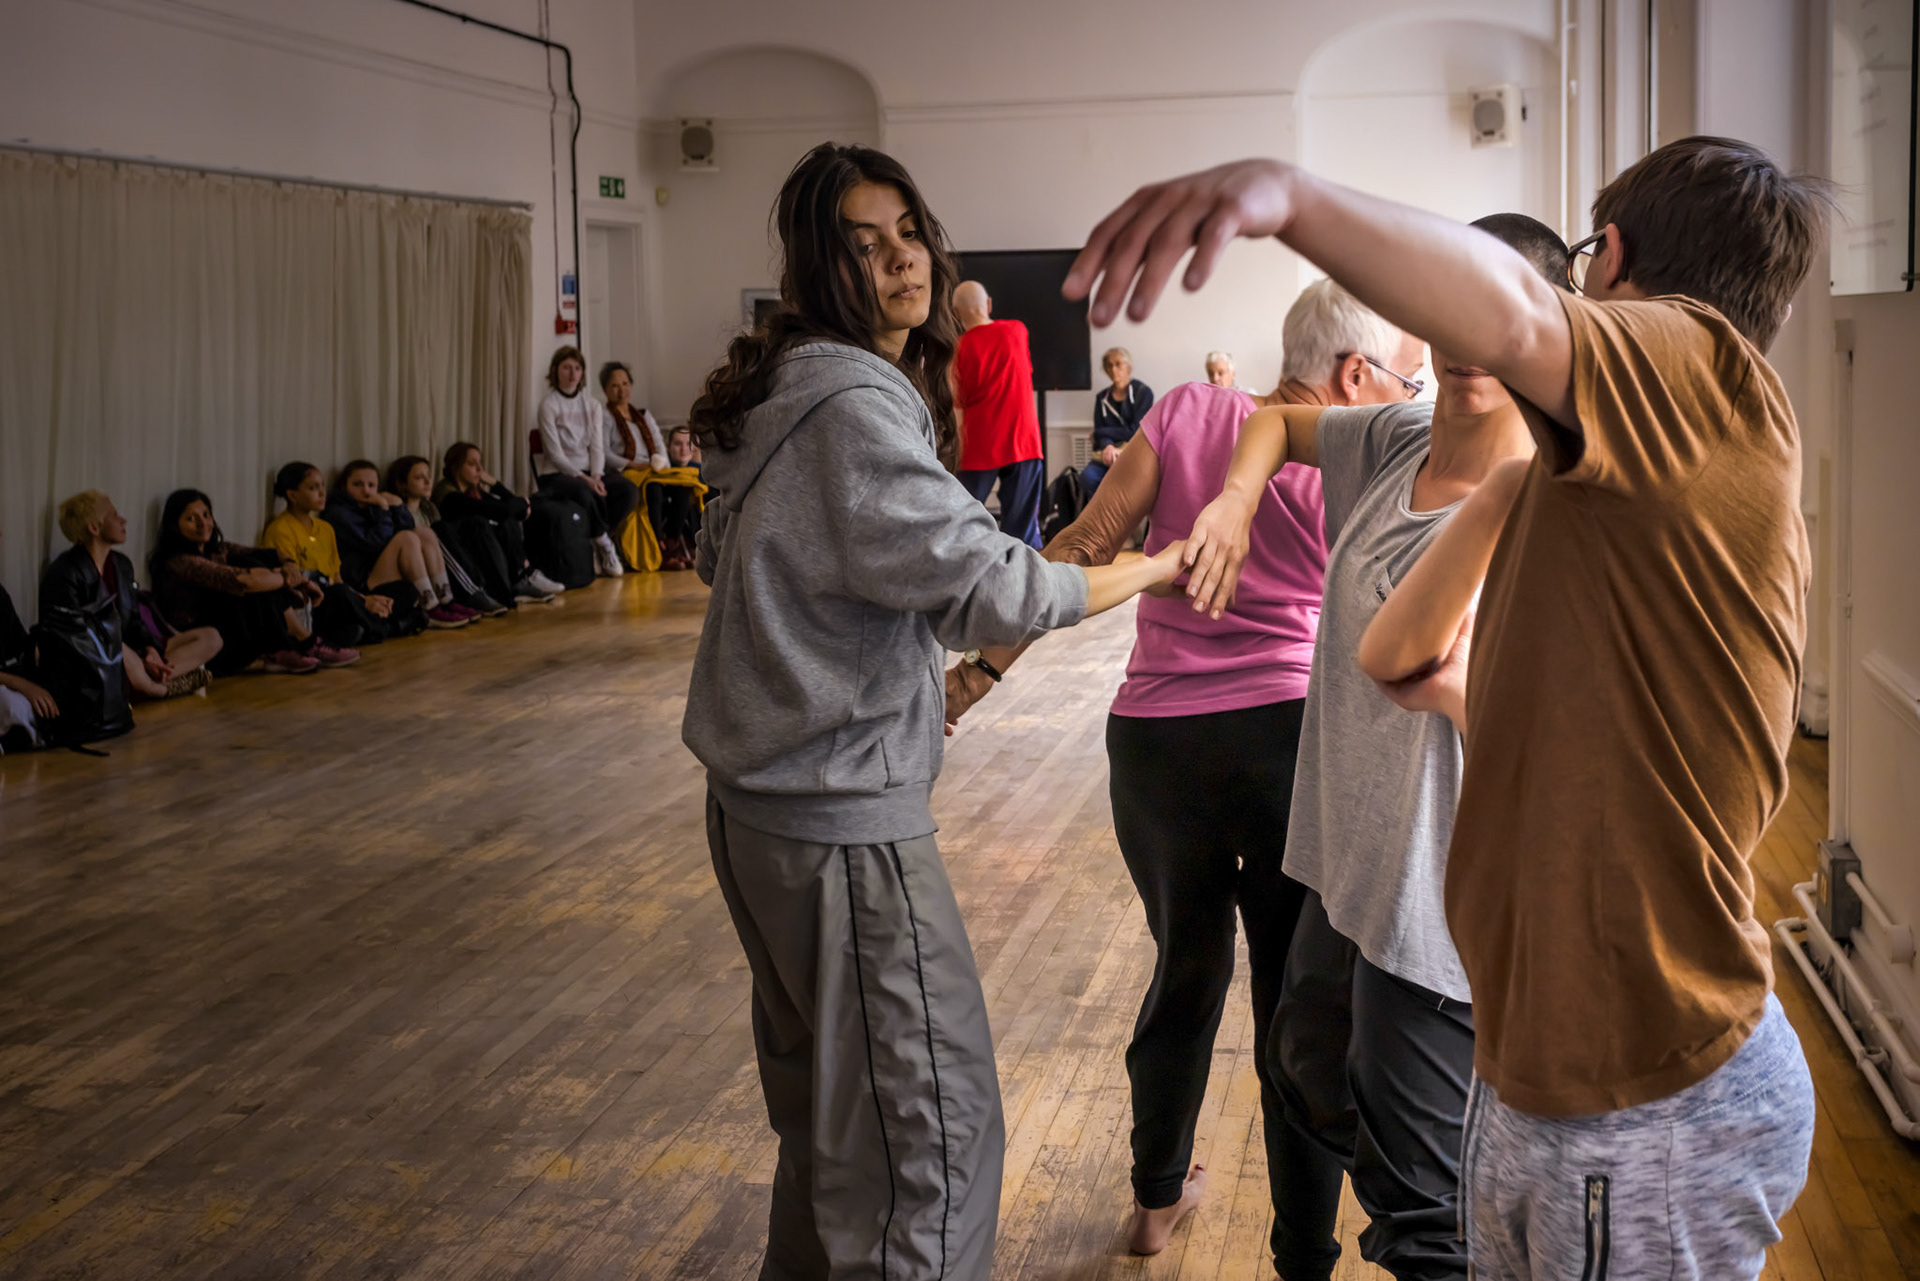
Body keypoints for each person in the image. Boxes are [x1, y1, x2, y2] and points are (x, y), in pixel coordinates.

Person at [1071, 137, 1833, 1281]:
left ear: (1606, 258)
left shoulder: (1702, 372)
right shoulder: (1618, 479)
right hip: (1558, 1065)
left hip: (1640, 1097)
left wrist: (1289, 194)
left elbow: (1517, 318)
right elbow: (1425, 664)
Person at [682, 141, 1188, 1281]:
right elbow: (996, 590)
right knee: (936, 1147)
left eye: (908, 233)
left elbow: (760, 568)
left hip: (764, 808)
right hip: (838, 828)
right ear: (817, 272)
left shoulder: (785, 390)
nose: (900, 261)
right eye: (864, 246)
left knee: (833, 1138)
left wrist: (906, 683)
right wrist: (1153, 567)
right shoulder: (853, 407)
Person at [944, 284, 1421, 1271]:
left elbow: (1081, 547)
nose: (1404, 396)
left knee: (1186, 969)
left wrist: (981, 671)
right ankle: (1303, 1255)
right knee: (1292, 1006)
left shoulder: (1191, 410)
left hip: (1158, 749)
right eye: (1400, 379)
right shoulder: (1359, 459)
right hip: (1285, 744)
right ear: (1352, 375)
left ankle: (1156, 1201)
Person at [1156, 215, 1564, 1281]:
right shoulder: (1393, 436)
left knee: (1425, 1226)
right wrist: (1235, 503)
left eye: (1503, 317)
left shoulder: (1546, 509)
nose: (1470, 342)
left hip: (1437, 911)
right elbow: (1272, 423)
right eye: (1451, 308)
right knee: (1308, 1075)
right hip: (1347, 872)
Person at [42, 490, 222, 699]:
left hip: (131, 658)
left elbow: (134, 621)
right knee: (118, 647)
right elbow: (76, 636)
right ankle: (159, 688)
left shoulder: (121, 565)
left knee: (212, 638)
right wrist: (131, 654)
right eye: (114, 515)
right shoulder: (65, 572)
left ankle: (150, 679)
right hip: (96, 662)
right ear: (94, 527)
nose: (123, 520)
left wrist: (148, 651)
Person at [148, 488, 342, 675]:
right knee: (250, 577)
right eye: (191, 519)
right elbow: (244, 581)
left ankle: (294, 645)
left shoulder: (218, 549)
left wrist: (290, 567)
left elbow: (273, 555)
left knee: (257, 563)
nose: (202, 523)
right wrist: (296, 581)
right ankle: (297, 644)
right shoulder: (180, 561)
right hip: (210, 648)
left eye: (206, 515)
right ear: (174, 526)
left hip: (234, 636)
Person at [263, 462, 402, 648]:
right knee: (340, 595)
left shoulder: (325, 528)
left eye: (323, 486)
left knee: (405, 590)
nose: (322, 493)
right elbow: (295, 583)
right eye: (313, 488)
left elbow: (336, 577)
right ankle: (386, 628)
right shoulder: (280, 529)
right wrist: (361, 602)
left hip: (336, 595)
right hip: (311, 602)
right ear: (292, 495)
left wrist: (363, 599)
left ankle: (363, 628)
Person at [952, 279, 1046, 548]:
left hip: (979, 446)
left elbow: (958, 405)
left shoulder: (958, 348)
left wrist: (954, 451)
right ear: (989, 304)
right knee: (1023, 535)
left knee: (959, 523)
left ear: (955, 313)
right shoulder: (1017, 330)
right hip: (1024, 443)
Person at [324, 460, 474, 629]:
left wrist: (398, 508)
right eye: (357, 484)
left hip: (375, 569)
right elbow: (375, 543)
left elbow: (409, 530)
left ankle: (446, 599)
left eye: (371, 485)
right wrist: (383, 509)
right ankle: (430, 607)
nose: (366, 490)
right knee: (405, 539)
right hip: (359, 582)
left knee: (424, 533)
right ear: (344, 486)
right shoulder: (338, 513)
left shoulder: (370, 506)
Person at [535, 345, 639, 578]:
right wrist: (585, 480)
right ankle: (604, 543)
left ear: (582, 372)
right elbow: (555, 454)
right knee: (585, 492)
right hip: (557, 474)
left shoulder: (592, 405)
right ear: (555, 371)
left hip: (590, 473)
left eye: (577, 368)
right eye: (566, 368)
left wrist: (596, 476)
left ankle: (596, 537)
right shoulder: (548, 405)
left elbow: (597, 447)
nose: (572, 373)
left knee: (628, 490)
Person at [603, 361, 705, 571]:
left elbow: (658, 444)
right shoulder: (605, 416)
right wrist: (633, 464)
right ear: (606, 390)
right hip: (628, 471)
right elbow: (604, 453)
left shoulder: (643, 415)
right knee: (654, 488)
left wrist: (663, 466)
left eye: (625, 384)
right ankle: (657, 546)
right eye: (615, 385)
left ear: (631, 385)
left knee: (683, 485)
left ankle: (672, 544)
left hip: (653, 469)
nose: (621, 390)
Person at [434, 442, 562, 604]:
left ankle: (521, 578)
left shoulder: (473, 492)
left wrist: (495, 484)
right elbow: (503, 510)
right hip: (465, 555)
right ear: (456, 467)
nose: (479, 470)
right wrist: (519, 501)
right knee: (501, 520)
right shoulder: (449, 495)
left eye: (480, 463)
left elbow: (516, 510)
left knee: (507, 522)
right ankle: (520, 579)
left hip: (481, 547)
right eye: (472, 464)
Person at [385, 455, 509, 617]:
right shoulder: (396, 511)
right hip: (417, 573)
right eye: (419, 477)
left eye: (428, 476)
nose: (428, 482)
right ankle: (470, 594)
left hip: (439, 572)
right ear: (402, 484)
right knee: (439, 529)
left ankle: (486, 590)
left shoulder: (429, 509)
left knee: (471, 528)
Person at [0, 523, 53, 753]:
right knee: (13, 706)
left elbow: (21, 647)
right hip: (5, 684)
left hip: (9, 677)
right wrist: (22, 685)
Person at [1085, 346, 1153, 497]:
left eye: (1118, 364)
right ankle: (1100, 512)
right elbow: (1101, 431)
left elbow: (1135, 430)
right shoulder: (1101, 398)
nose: (1113, 369)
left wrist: (1098, 432)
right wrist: (1108, 446)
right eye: (1109, 365)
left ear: (1128, 367)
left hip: (1134, 452)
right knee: (1088, 477)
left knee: (1134, 481)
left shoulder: (1143, 393)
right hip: (1107, 453)